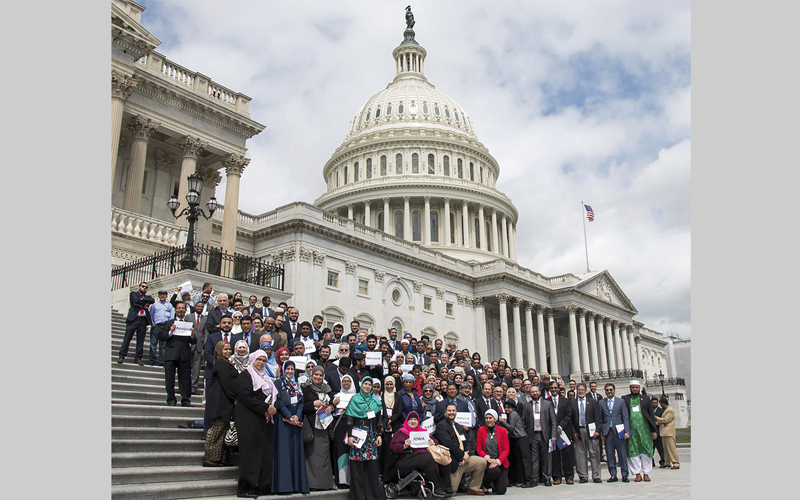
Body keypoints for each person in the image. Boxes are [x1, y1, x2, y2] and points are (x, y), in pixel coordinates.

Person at [235, 351, 278, 498]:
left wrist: (271, 409)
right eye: (258, 359)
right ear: (253, 359)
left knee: (265, 453)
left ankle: (261, 485)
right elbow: (246, 396)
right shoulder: (245, 376)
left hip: (264, 420)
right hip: (249, 418)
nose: (261, 363)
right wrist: (265, 409)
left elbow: (273, 396)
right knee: (250, 453)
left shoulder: (266, 378)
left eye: (264, 360)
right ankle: (245, 487)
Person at [389, 411, 450, 498]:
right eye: (411, 420)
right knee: (427, 459)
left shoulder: (423, 432)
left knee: (442, 460)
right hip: (406, 459)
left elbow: (436, 441)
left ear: (418, 422)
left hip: (423, 458)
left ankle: (447, 487)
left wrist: (433, 442)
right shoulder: (401, 432)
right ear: (407, 421)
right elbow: (392, 447)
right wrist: (404, 446)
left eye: (415, 420)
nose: (413, 421)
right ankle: (437, 488)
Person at [344, 376, 385, 500]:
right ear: (361, 386)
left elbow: (379, 420)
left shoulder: (376, 401)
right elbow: (350, 420)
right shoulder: (354, 399)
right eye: (365, 384)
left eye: (369, 384)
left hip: (371, 438)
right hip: (357, 438)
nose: (367, 386)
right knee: (357, 469)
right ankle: (358, 497)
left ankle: (372, 496)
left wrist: (379, 435)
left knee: (372, 468)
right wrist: (350, 437)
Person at [433, 401, 487, 496]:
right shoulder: (441, 426)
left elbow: (467, 442)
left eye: (453, 410)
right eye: (449, 411)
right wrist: (462, 455)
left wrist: (467, 453)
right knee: (452, 493)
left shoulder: (459, 426)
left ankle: (472, 488)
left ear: (456, 412)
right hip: (453, 461)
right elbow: (449, 445)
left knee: (481, 462)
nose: (451, 412)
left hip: (464, 460)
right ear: (445, 413)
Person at [272, 360, 309, 493]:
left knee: (295, 452)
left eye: (292, 369)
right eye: (287, 369)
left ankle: (296, 485)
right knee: (284, 452)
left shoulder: (296, 385)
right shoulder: (278, 383)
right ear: (283, 370)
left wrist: (297, 416)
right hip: (283, 422)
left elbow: (301, 402)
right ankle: (284, 485)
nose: (289, 371)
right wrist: (288, 416)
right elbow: (279, 402)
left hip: (295, 423)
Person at [302, 365, 336, 491]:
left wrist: (331, 408)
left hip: (325, 427)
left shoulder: (327, 389)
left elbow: (332, 404)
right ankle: (312, 484)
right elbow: (302, 407)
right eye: (315, 374)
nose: (317, 377)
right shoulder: (306, 389)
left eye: (320, 375)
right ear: (311, 375)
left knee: (324, 456)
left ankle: (325, 483)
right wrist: (313, 404)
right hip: (312, 427)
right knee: (312, 457)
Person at [204, 341, 237, 466]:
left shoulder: (226, 362)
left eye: (229, 349)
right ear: (219, 351)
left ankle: (221, 458)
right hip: (221, 401)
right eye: (225, 349)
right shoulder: (221, 363)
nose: (228, 351)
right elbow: (226, 382)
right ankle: (211, 458)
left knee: (223, 430)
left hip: (225, 400)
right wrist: (234, 397)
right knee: (217, 430)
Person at [160, 301, 196, 406]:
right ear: (175, 310)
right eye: (179, 308)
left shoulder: (189, 324)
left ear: (185, 311)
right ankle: (171, 398)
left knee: (185, 379)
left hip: (184, 354)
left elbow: (193, 341)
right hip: (171, 353)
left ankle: (185, 399)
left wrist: (193, 335)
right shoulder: (168, 323)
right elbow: (162, 337)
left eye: (183, 308)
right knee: (169, 378)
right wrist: (170, 331)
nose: (181, 310)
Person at [521, 386, 557, 487]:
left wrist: (554, 435)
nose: (535, 393)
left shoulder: (547, 404)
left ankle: (547, 478)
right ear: (530, 394)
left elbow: (553, 420)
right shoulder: (526, 406)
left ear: (540, 392)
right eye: (532, 392)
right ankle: (535, 478)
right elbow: (523, 420)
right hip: (532, 435)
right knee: (534, 458)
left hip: (545, 434)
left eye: (536, 391)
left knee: (546, 458)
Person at [622, 380, 658, 482]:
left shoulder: (645, 399)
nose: (635, 389)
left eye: (637, 387)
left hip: (644, 430)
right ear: (630, 388)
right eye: (633, 387)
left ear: (639, 388)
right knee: (633, 451)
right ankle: (637, 473)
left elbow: (651, 415)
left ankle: (646, 473)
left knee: (646, 451)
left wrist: (653, 430)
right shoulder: (625, 399)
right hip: (631, 431)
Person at [571, 382, 602, 483]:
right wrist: (573, 431)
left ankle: (596, 475)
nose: (580, 392)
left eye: (582, 390)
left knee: (594, 453)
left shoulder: (592, 402)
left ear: (585, 391)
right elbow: (570, 419)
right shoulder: (572, 403)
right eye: (578, 390)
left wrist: (598, 430)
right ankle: (583, 476)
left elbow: (598, 417)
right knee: (580, 454)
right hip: (579, 430)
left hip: (591, 431)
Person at [599, 383, 631, 483]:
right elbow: (600, 418)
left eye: (611, 390)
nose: (609, 392)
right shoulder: (601, 403)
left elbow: (625, 417)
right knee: (610, 454)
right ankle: (613, 474)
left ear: (614, 390)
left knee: (622, 454)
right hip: (608, 432)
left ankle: (625, 474)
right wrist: (601, 433)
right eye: (607, 390)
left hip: (619, 431)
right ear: (605, 391)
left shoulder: (620, 402)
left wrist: (627, 431)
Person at [547, 380, 575, 484]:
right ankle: (557, 477)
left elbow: (568, 415)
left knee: (567, 454)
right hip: (552, 432)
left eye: (555, 388)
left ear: (559, 389)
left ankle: (569, 476)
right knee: (555, 455)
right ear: (549, 390)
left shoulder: (566, 401)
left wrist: (560, 426)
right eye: (552, 388)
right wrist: (554, 428)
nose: (554, 390)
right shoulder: (546, 401)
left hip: (564, 432)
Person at [476, 410, 509, 495]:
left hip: (500, 461)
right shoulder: (481, 430)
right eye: (486, 418)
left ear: (495, 419)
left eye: (490, 418)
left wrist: (498, 461)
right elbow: (479, 448)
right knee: (494, 471)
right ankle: (486, 485)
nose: (488, 420)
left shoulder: (502, 430)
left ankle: (494, 483)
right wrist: (488, 459)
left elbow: (506, 449)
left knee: (501, 491)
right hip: (487, 461)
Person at [333, 374, 357, 486]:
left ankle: (353, 480)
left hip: (353, 425)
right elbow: (331, 411)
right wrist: (333, 404)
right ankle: (342, 480)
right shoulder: (337, 396)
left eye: (348, 381)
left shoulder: (357, 397)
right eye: (344, 381)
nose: (346, 383)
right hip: (340, 424)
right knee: (341, 451)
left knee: (352, 451)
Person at [501, 399, 531, 488]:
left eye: (509, 408)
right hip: (516, 438)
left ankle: (528, 479)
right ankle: (521, 479)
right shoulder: (511, 414)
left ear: (513, 408)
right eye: (505, 407)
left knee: (524, 459)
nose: (507, 409)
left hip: (521, 438)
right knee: (519, 460)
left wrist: (502, 421)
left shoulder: (513, 414)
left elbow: (511, 427)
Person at [655, 397, 680, 469]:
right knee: (665, 449)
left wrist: (656, 418)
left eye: (661, 404)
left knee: (671, 448)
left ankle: (675, 463)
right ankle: (667, 462)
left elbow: (666, 420)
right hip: (664, 433)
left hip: (669, 432)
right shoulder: (666, 410)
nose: (660, 406)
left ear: (663, 404)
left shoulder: (669, 410)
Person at [651, 397, 665, 468]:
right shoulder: (649, 410)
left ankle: (663, 461)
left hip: (658, 432)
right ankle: (651, 462)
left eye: (655, 403)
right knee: (651, 448)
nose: (654, 404)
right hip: (651, 432)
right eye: (653, 403)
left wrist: (658, 423)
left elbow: (663, 420)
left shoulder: (661, 411)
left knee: (660, 448)